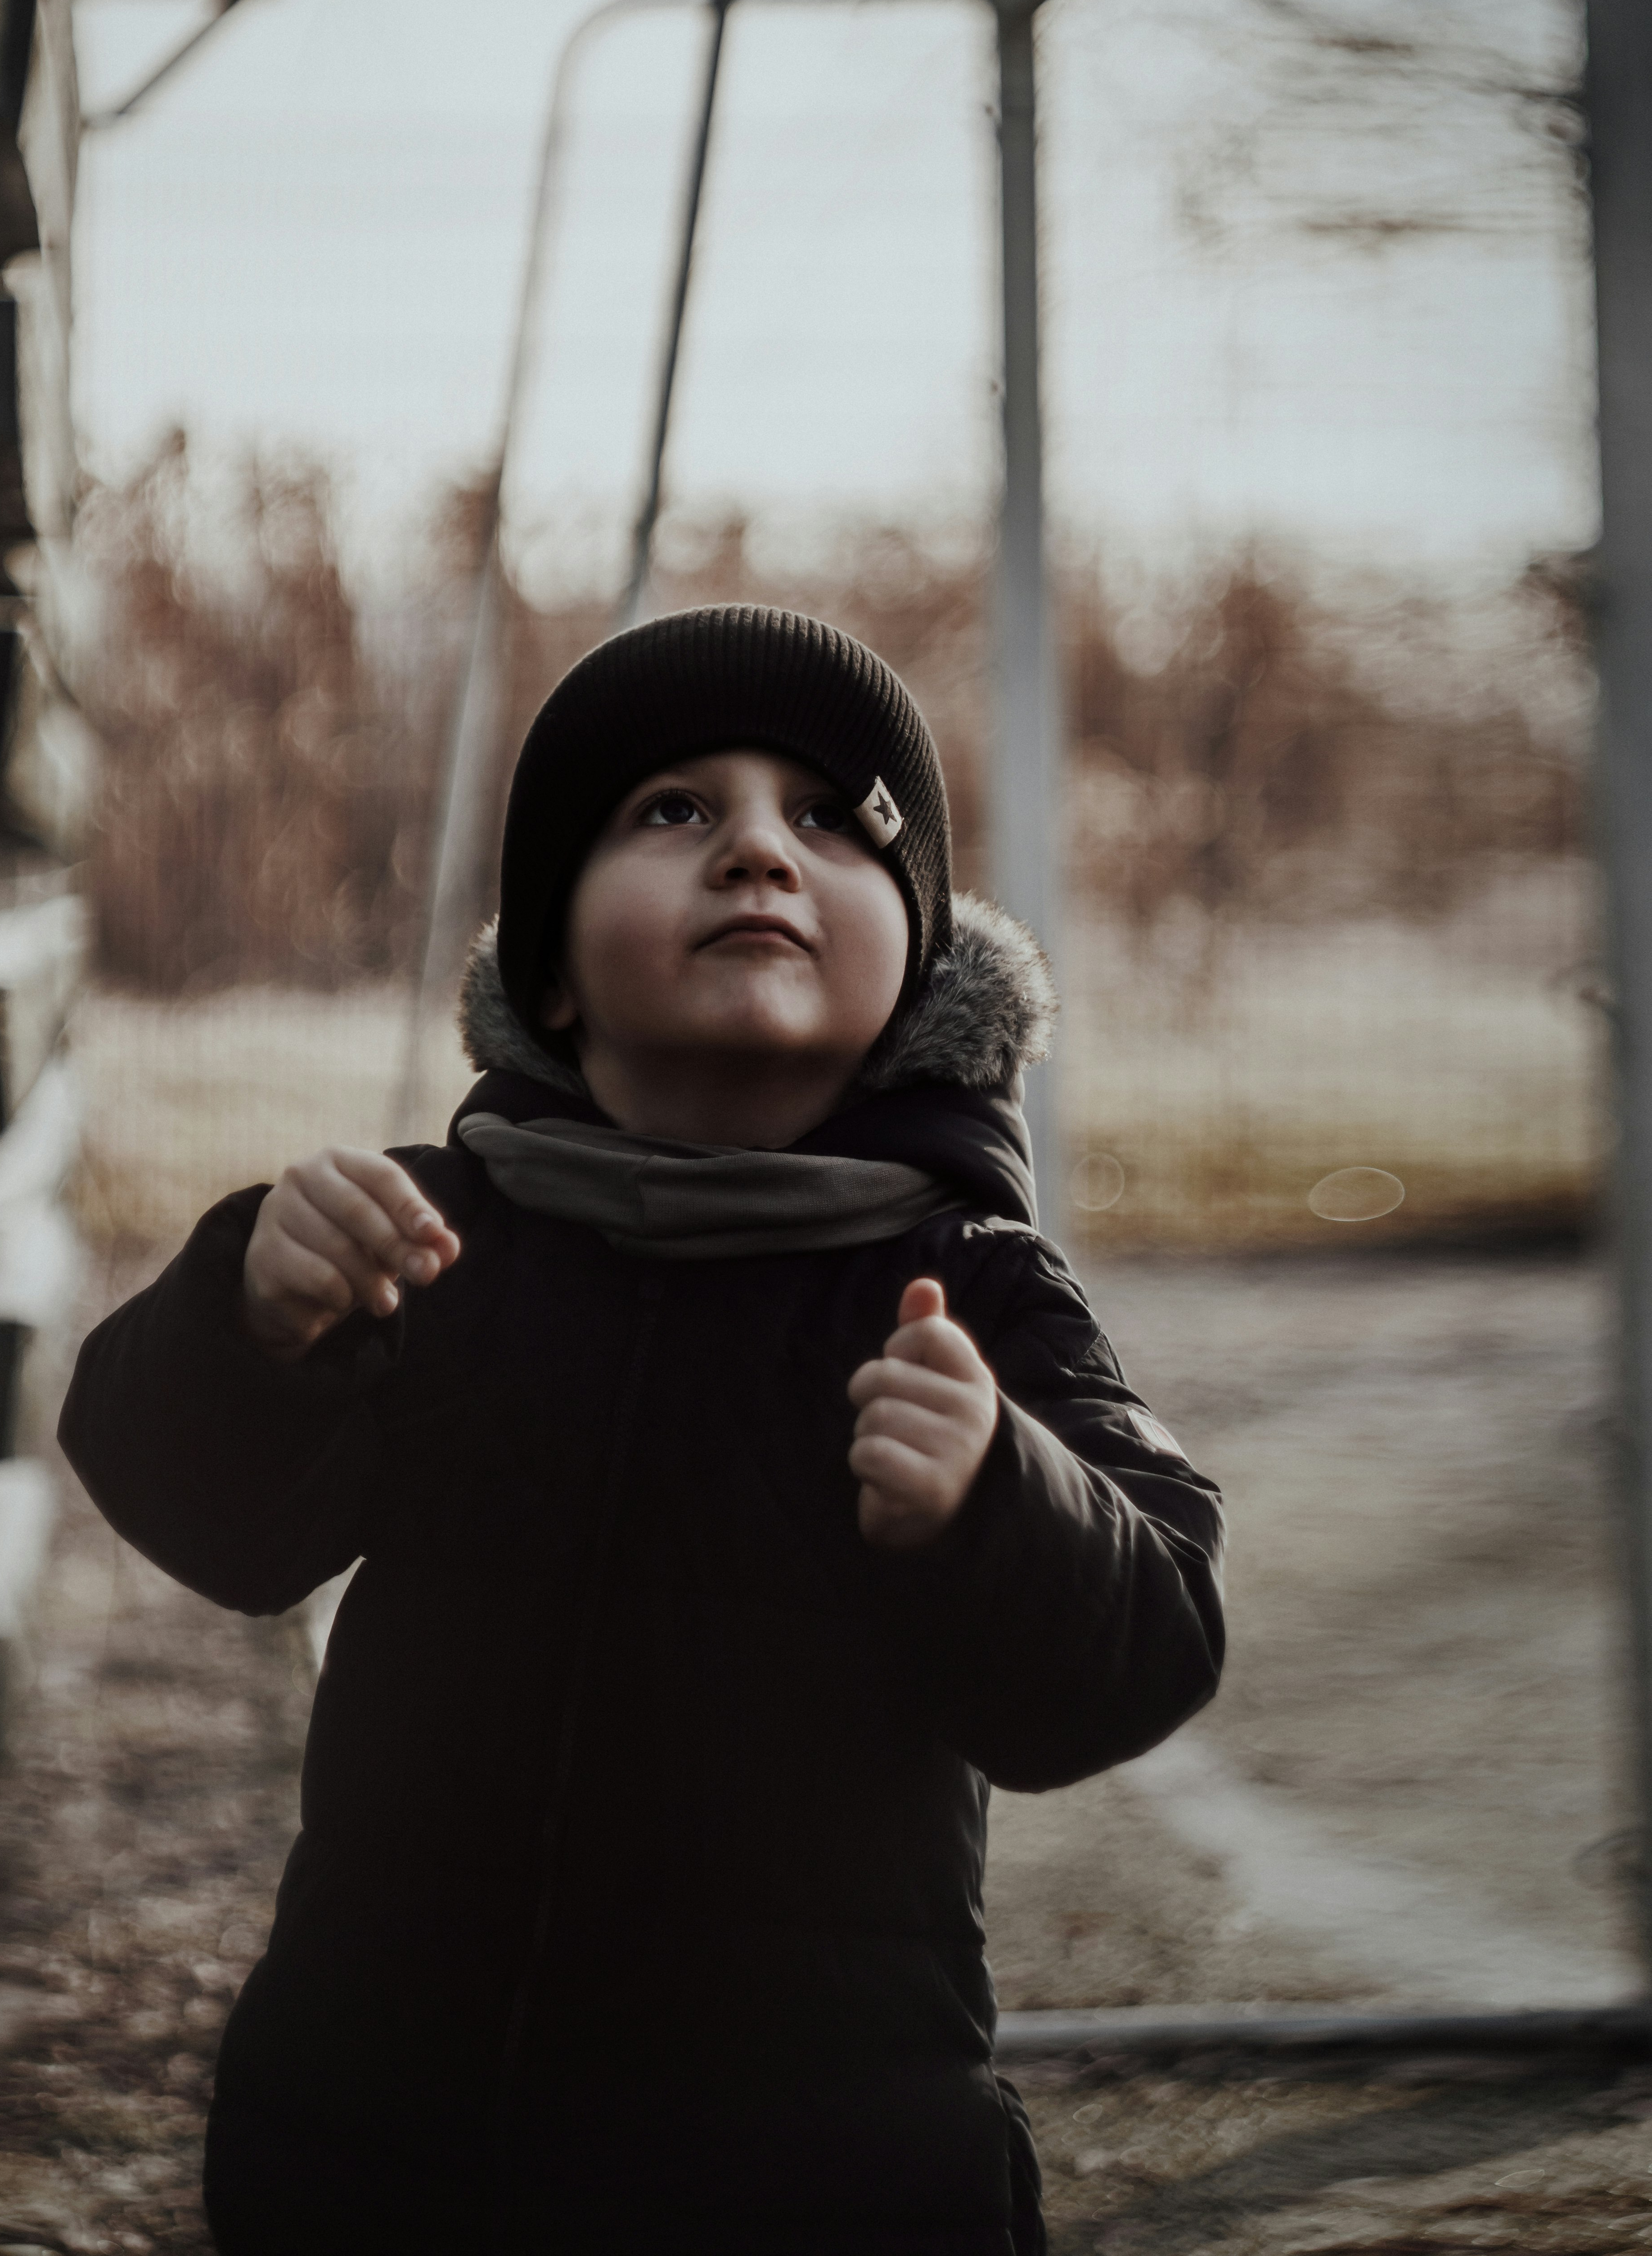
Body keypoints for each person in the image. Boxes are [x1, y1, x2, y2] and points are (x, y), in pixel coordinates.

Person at [62, 603, 1224, 2256]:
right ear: (547, 959)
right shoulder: (429, 1238)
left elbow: (1142, 1641)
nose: (757, 847)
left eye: (830, 817)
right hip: (375, 2143)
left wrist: (996, 1497)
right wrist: (249, 1321)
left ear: (916, 966)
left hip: (826, 2171)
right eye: (673, 809)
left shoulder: (969, 1290)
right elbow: (219, 1527)